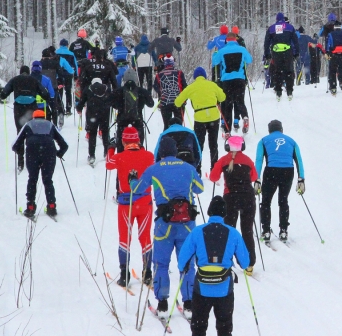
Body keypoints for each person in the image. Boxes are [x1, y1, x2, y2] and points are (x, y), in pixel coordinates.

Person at [140, 138, 204, 318]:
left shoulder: (154, 169)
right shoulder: (188, 168)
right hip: (187, 226)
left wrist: (131, 180)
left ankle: (162, 302)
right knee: (187, 265)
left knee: (161, 264)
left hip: (164, 225)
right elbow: (200, 189)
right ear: (175, 151)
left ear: (161, 152)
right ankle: (189, 302)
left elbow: (137, 188)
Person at [177, 196, 250, 333]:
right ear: (224, 213)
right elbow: (245, 263)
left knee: (199, 326)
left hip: (202, 289)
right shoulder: (233, 233)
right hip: (224, 289)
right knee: (224, 327)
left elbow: (182, 260)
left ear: (209, 212)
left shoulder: (197, 232)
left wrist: (183, 268)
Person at [106, 126, 155, 287]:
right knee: (145, 238)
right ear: (138, 140)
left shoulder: (119, 157)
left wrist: (111, 147)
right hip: (145, 202)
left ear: (123, 141)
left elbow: (108, 164)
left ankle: (124, 274)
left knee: (124, 239)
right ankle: (147, 273)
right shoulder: (149, 156)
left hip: (126, 204)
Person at [209, 135, 258, 274]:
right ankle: (249, 263)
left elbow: (213, 177)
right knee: (247, 230)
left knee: (229, 229)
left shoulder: (223, 160)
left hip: (230, 198)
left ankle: (226, 260)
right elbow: (254, 177)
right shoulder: (247, 160)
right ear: (242, 146)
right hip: (248, 197)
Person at [11, 105, 69, 218]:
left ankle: (31, 207)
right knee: (48, 180)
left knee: (32, 179)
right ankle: (51, 206)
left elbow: (15, 145)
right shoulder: (51, 125)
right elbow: (64, 145)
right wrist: (58, 153)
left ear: (33, 117)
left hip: (32, 153)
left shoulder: (28, 125)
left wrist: (20, 152)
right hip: (49, 153)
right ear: (45, 117)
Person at [254, 120, 305, 242]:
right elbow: (299, 160)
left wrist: (257, 179)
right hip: (288, 171)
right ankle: (283, 231)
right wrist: (301, 179)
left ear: (269, 130)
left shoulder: (263, 141)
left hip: (271, 171)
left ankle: (266, 231)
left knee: (266, 202)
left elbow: (259, 160)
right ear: (281, 129)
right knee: (283, 201)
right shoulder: (291, 141)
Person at [174, 67, 227, 173]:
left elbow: (177, 102)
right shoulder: (212, 85)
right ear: (205, 76)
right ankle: (214, 169)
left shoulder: (191, 87)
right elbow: (223, 97)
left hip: (200, 118)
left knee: (198, 144)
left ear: (195, 77)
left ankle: (198, 169)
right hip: (213, 116)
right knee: (213, 144)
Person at [1, 66, 50, 171]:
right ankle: (32, 158)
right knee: (32, 132)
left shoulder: (15, 79)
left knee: (20, 132)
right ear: (28, 72)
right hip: (31, 108)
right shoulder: (34, 80)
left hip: (19, 109)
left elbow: (3, 94)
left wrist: (4, 95)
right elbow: (45, 94)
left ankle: (20, 161)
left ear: (20, 72)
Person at [212, 33, 252, 135]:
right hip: (240, 79)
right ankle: (245, 117)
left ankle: (227, 130)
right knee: (240, 101)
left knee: (227, 105)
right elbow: (249, 60)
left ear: (227, 41)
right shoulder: (242, 49)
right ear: (236, 40)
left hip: (227, 81)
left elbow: (215, 62)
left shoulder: (222, 51)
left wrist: (215, 53)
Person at [110, 68, 154, 151]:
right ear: (136, 79)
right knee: (138, 148)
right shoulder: (142, 91)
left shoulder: (118, 91)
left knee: (121, 150)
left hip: (122, 124)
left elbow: (110, 103)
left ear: (124, 79)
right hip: (137, 123)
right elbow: (151, 104)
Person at [76, 78, 112, 166]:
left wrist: (79, 109)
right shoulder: (107, 88)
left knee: (92, 134)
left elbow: (82, 101)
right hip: (105, 113)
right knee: (105, 132)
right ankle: (106, 152)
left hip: (92, 114)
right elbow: (112, 99)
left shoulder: (88, 88)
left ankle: (92, 155)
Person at [264, 12, 300, 100]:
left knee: (277, 72)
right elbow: (295, 41)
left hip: (276, 53)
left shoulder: (271, 28)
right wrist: (296, 53)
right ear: (284, 19)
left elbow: (266, 42)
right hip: (287, 52)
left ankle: (278, 91)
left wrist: (267, 54)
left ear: (276, 19)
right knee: (289, 71)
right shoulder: (290, 27)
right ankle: (289, 91)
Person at [40, 47, 74, 127]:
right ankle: (56, 122)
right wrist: (62, 82)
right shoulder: (55, 62)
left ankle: (45, 121)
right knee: (55, 104)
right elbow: (61, 74)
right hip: (54, 86)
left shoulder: (39, 63)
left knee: (44, 105)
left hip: (41, 88)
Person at [154, 55, 187, 130]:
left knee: (166, 125)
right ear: (173, 63)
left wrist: (161, 92)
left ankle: (166, 139)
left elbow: (155, 86)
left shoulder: (159, 75)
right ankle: (179, 140)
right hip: (179, 102)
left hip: (165, 102)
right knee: (179, 125)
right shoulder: (179, 73)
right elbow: (185, 86)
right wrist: (185, 99)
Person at [55, 39, 79, 113]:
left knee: (59, 91)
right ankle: (68, 108)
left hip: (59, 75)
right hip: (68, 74)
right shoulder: (71, 53)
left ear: (60, 44)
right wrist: (76, 75)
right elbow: (75, 65)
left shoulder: (56, 52)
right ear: (67, 45)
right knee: (68, 91)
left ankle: (59, 107)